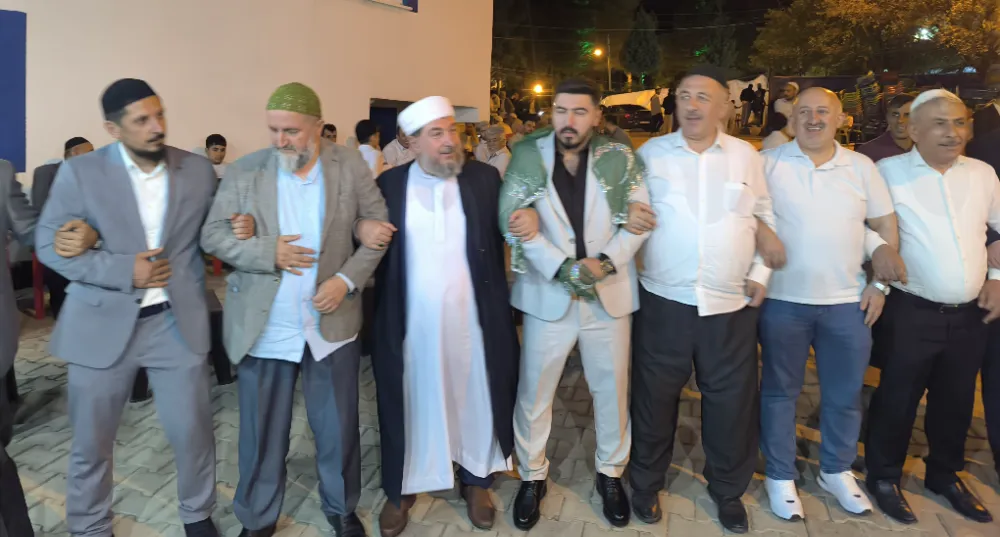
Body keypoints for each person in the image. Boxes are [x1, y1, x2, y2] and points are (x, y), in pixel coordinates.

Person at [34, 78, 221, 537]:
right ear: (112, 129)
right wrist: (123, 270)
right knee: (92, 441)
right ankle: (90, 525)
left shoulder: (197, 170)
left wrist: (244, 225)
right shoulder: (82, 173)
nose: (156, 127)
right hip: (100, 321)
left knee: (193, 431)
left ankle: (197, 514)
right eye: (141, 120)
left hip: (176, 323)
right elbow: (49, 245)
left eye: (159, 114)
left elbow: (215, 233)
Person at [201, 82, 386, 537]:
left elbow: (377, 228)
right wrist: (268, 252)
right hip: (266, 325)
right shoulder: (246, 171)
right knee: (261, 430)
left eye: (292, 131)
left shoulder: (350, 166)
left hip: (331, 321)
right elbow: (212, 236)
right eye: (274, 130)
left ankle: (341, 508)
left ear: (318, 127)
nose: (280, 140)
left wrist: (345, 281)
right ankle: (258, 517)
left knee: (338, 426)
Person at [626, 65, 777, 534]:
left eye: (703, 97)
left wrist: (762, 271)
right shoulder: (651, 154)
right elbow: (631, 214)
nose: (692, 105)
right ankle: (646, 483)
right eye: (684, 96)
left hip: (730, 306)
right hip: (663, 301)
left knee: (731, 404)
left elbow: (763, 214)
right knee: (653, 400)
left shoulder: (745, 156)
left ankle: (728, 490)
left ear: (724, 108)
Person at [500, 78, 650, 530]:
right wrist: (563, 268)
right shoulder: (528, 154)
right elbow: (512, 221)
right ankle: (532, 475)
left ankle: (611, 474)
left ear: (597, 116)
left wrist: (603, 263)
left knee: (611, 390)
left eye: (580, 111)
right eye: (561, 110)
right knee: (535, 392)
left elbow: (640, 221)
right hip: (549, 295)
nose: (569, 120)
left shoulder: (619, 157)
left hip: (608, 293)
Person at [369, 96, 520, 537]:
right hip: (412, 326)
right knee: (412, 401)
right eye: (436, 133)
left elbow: (510, 228)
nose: (450, 140)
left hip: (472, 322)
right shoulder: (389, 185)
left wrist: (526, 219)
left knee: (474, 396)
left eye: (453, 130)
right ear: (411, 141)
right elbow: (366, 239)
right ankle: (403, 486)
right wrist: (362, 229)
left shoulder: (484, 178)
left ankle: (476, 479)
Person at [758, 88, 903, 521]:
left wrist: (880, 286)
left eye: (823, 111)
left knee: (844, 395)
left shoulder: (861, 167)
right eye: (804, 111)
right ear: (792, 119)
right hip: (782, 301)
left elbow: (883, 226)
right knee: (779, 393)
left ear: (841, 119)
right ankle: (780, 474)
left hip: (847, 304)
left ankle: (836, 470)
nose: (813, 119)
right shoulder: (767, 163)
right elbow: (747, 218)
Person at [866, 89, 999, 526]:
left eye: (960, 122)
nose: (952, 132)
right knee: (897, 398)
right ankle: (884, 476)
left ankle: (944, 474)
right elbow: (861, 224)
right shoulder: (887, 173)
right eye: (940, 123)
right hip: (911, 311)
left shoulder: (982, 174)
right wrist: (878, 249)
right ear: (914, 130)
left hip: (970, 313)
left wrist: (997, 279)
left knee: (956, 401)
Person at [31, 137, 95, 317]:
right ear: (75, 153)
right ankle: (62, 311)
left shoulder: (93, 175)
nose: (94, 156)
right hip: (58, 235)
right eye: (90, 152)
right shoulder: (47, 173)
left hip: (90, 235)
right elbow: (40, 209)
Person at [856, 94, 915, 163]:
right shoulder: (867, 152)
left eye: (907, 115)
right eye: (895, 114)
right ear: (887, 117)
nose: (900, 120)